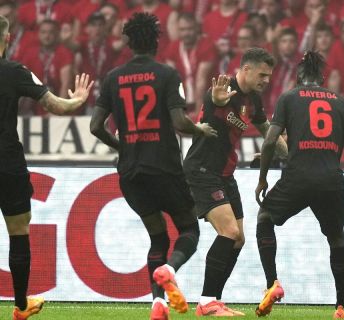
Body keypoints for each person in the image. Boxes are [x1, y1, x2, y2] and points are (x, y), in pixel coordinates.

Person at [89, 12, 217, 320]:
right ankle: (169, 269)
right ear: (156, 41)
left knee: (158, 238)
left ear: (129, 41)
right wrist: (199, 129)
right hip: (165, 169)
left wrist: (123, 145)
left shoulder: (112, 77)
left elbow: (96, 127)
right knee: (188, 229)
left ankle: (157, 304)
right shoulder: (167, 75)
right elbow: (179, 122)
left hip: (131, 174)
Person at [254, 51, 344, 319]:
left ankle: (272, 284)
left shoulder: (289, 97)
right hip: (331, 181)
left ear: (299, 77)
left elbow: (269, 142)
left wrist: (262, 177)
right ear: (322, 78)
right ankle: (341, 307)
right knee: (336, 239)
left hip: (297, 177)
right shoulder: (341, 102)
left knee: (265, 217)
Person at [0, 14, 94, 320]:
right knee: (18, 231)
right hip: (7, 163)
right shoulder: (14, 72)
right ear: (7, 38)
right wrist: (77, 100)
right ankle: (20, 305)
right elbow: (55, 105)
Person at [183, 47, 288, 317]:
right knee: (228, 232)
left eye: (269, 76)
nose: (266, 80)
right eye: (262, 75)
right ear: (246, 69)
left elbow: (269, 133)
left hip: (226, 174)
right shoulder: (222, 88)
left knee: (238, 239)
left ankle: (215, 300)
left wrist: (296, 157)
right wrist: (216, 101)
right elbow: (212, 106)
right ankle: (206, 301)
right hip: (202, 170)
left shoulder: (254, 100)